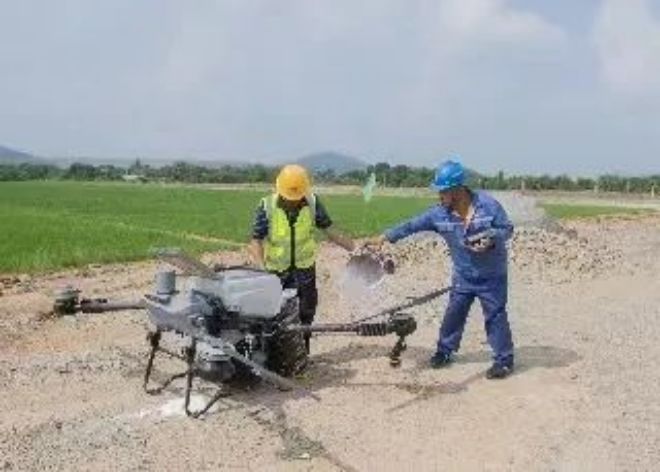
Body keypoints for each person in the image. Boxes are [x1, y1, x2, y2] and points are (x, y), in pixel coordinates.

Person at [365, 159, 515, 379]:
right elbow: (411, 225)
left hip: (492, 275)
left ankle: (504, 361)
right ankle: (444, 351)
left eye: (443, 191)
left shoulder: (489, 206)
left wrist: (492, 237)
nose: (439, 196)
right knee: (454, 313)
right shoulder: (439, 215)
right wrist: (383, 238)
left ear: (457, 190)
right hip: (463, 276)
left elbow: (507, 229)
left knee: (495, 316)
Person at [248, 164, 355, 353]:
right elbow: (256, 240)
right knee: (272, 315)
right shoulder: (267, 206)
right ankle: (272, 355)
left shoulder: (312, 203)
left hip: (304, 270)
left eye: (296, 198)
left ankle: (302, 353)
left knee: (306, 313)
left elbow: (330, 230)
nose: (292, 202)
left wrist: (354, 248)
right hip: (276, 272)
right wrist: (262, 269)